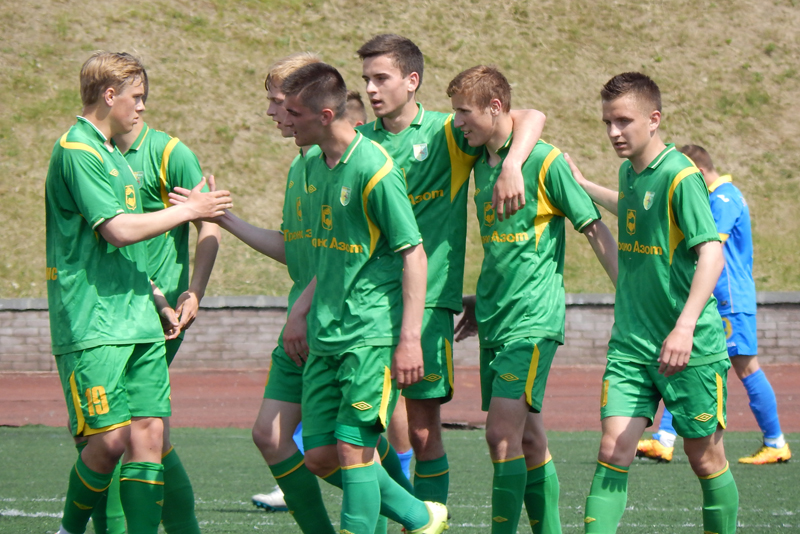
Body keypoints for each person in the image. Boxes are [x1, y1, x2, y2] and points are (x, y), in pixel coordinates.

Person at [356, 34, 546, 505]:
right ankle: (401, 513)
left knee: (422, 433)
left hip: (428, 302)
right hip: (366, 304)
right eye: (366, 80)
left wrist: (513, 165)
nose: (371, 89)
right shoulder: (362, 142)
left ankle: (428, 520)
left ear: (411, 81)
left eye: (381, 78)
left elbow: (530, 116)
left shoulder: (448, 132)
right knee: (358, 429)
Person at [46, 51, 231, 534]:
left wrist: (162, 298)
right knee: (108, 443)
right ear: (110, 96)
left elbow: (129, 254)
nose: (143, 106)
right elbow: (118, 231)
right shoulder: (78, 151)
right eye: (137, 97)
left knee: (149, 438)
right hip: (95, 323)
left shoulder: (115, 154)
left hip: (141, 319)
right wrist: (191, 210)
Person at [565, 72, 739, 533]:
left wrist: (684, 327)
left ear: (654, 119)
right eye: (607, 122)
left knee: (704, 457)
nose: (613, 132)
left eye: (623, 121)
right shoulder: (629, 172)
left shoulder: (681, 176)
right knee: (612, 450)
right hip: (632, 344)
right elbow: (631, 205)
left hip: (689, 348)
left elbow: (712, 254)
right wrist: (583, 184)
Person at [447, 65, 617, 534]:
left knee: (500, 436)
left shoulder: (545, 161)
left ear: (494, 107)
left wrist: (629, 296)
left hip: (532, 320)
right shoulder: (479, 163)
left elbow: (595, 230)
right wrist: (480, 298)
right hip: (495, 318)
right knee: (528, 438)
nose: (458, 122)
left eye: (464, 112)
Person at [281, 61, 447, 534]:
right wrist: (301, 309)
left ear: (325, 116)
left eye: (294, 113)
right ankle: (421, 517)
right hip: (325, 333)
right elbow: (334, 253)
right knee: (320, 455)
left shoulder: (374, 168)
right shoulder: (316, 166)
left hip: (369, 335)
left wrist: (409, 339)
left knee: (354, 450)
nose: (286, 120)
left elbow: (414, 254)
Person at [637, 145, 791, 465]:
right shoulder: (716, 196)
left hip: (729, 298)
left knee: (746, 366)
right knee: (682, 359)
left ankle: (775, 441)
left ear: (698, 171)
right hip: (714, 298)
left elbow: (708, 246)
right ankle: (664, 439)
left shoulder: (724, 197)